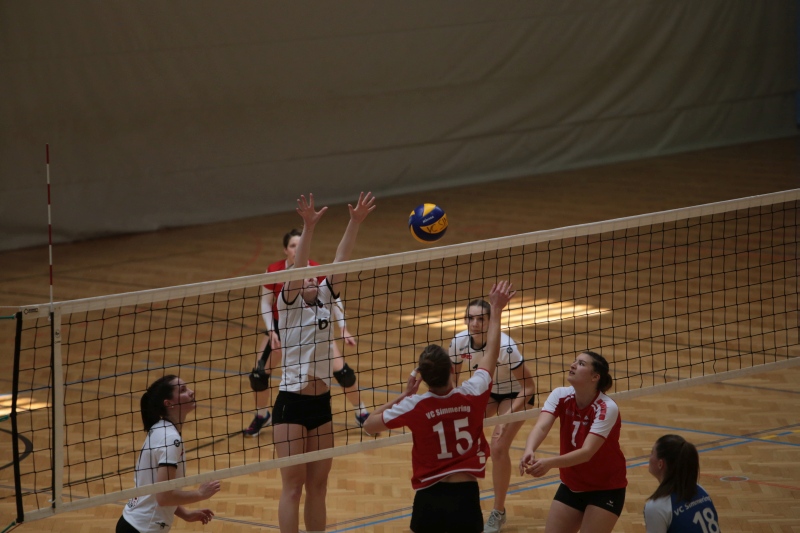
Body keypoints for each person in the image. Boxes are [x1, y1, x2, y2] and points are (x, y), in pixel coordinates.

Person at [364, 281, 517, 533]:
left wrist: (405, 394)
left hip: (429, 497)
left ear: (423, 378)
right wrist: (497, 310)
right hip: (466, 497)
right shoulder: (473, 392)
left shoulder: (414, 405)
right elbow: (491, 352)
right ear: (451, 371)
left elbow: (369, 425)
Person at [274, 191, 375, 533]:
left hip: (322, 404)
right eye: (302, 273)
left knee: (319, 486)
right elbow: (299, 265)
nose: (309, 276)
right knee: (293, 487)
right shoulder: (288, 304)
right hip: (291, 404)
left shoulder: (325, 300)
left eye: (312, 274)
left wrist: (355, 222)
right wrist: (309, 226)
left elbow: (341, 258)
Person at [244, 229, 369, 436]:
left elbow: (334, 297)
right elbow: (266, 303)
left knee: (344, 374)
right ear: (285, 250)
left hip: (315, 325)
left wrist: (343, 327)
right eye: (292, 245)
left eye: (300, 245)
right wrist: (271, 330)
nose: (296, 249)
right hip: (281, 328)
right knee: (258, 376)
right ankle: (261, 415)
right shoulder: (274, 270)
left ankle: (361, 412)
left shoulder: (314, 270)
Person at [449, 298, 536, 533]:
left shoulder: (506, 347)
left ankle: (498, 511)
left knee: (498, 446)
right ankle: (457, 502)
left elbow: (529, 387)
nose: (475, 323)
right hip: (485, 391)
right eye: (470, 318)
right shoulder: (459, 342)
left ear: (491, 321)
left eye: (481, 319)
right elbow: (453, 381)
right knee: (457, 438)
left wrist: (505, 419)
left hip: (515, 395)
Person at [519, 351, 627, 533]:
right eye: (575, 361)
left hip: (605, 488)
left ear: (595, 377)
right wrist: (529, 449)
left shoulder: (607, 408)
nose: (573, 365)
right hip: (572, 484)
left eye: (581, 364)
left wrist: (549, 463)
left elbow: (587, 452)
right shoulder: (560, 395)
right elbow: (541, 427)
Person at [117, 375, 221, 533]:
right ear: (169, 403)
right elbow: (164, 497)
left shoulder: (160, 428)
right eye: (183, 390)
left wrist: (185, 514)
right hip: (143, 528)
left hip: (134, 523)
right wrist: (200, 494)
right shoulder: (170, 438)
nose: (191, 392)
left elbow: (158, 490)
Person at [644, 434, 721, 533]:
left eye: (652, 453)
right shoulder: (701, 490)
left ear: (660, 464)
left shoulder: (657, 507)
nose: (649, 457)